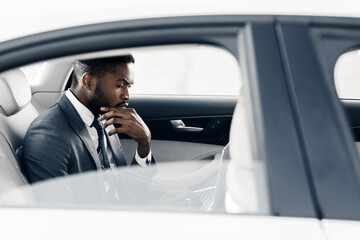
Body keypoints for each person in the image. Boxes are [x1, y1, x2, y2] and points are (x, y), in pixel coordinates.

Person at [22, 55, 155, 184]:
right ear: (88, 82)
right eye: (120, 85)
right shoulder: (48, 134)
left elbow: (127, 189)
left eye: (129, 86)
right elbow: (59, 205)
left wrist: (144, 142)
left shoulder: (104, 116)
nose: (127, 96)